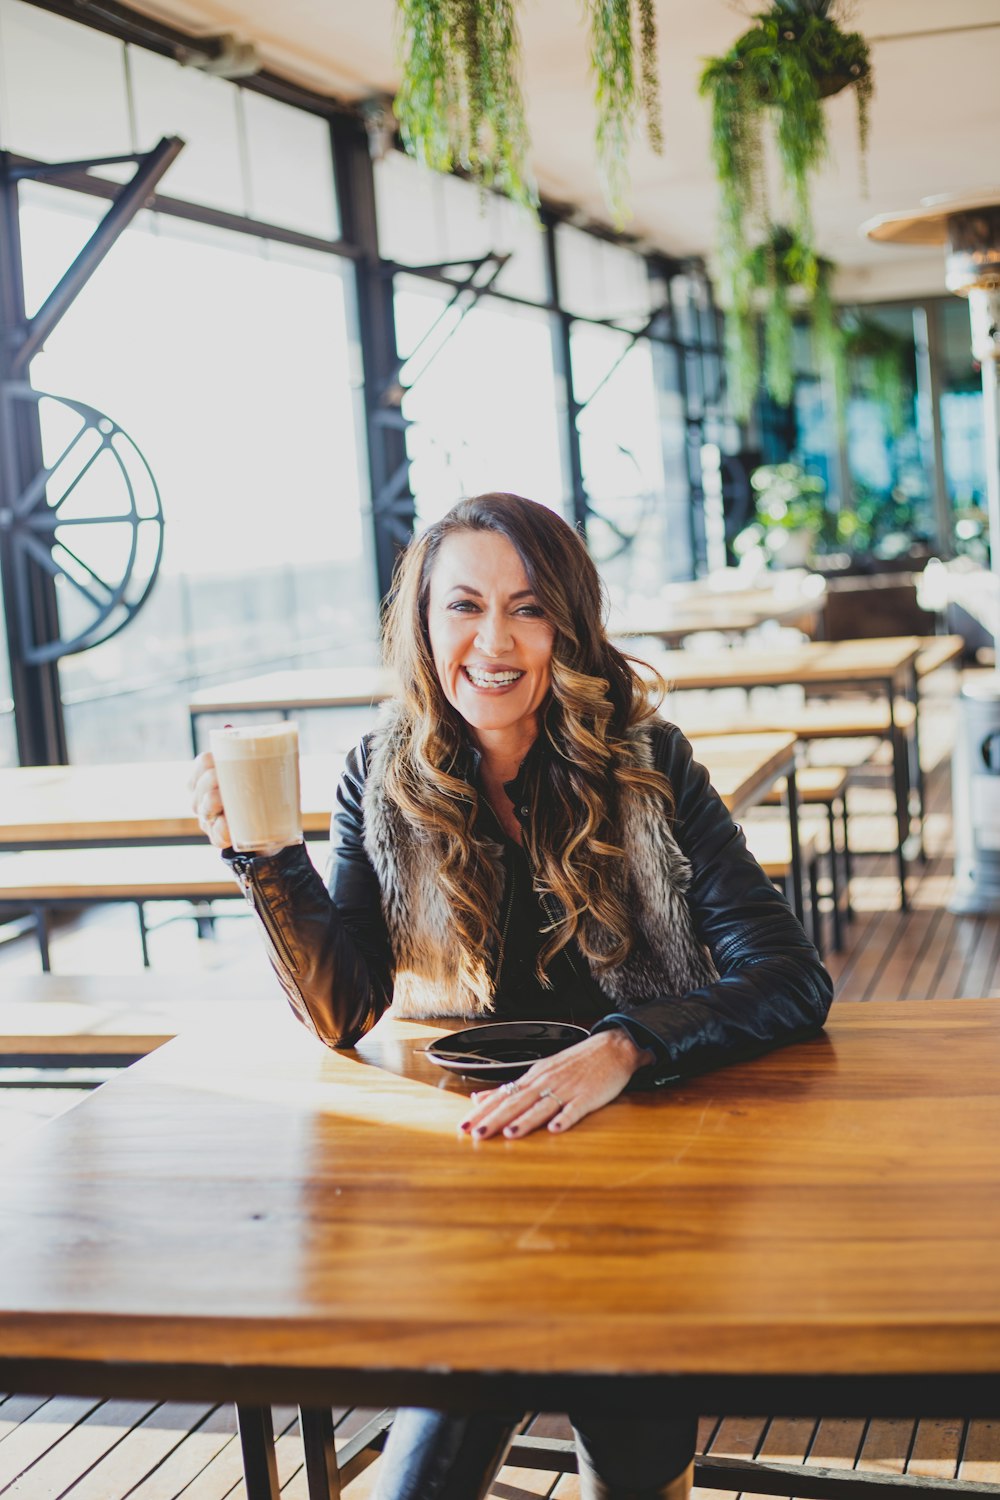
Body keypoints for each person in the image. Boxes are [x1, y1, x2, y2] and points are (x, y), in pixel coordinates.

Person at [191, 491, 832, 1500]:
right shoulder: (380, 772)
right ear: (424, 622)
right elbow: (344, 1011)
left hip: (643, 1167)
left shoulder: (648, 765)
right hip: (476, 1175)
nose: (494, 640)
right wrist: (264, 857)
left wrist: (623, 1047)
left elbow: (790, 977)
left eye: (528, 608)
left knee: (630, 1462)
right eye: (464, 606)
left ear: (565, 628)